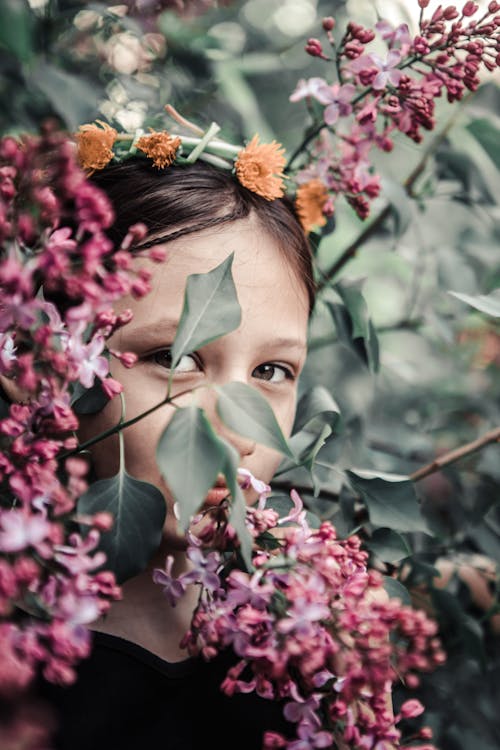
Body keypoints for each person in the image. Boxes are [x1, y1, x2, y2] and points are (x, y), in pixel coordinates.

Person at [28, 156, 316, 750]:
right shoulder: (23, 653)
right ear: (54, 364)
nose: (233, 430)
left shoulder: (302, 646)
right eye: (176, 359)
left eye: (271, 370)